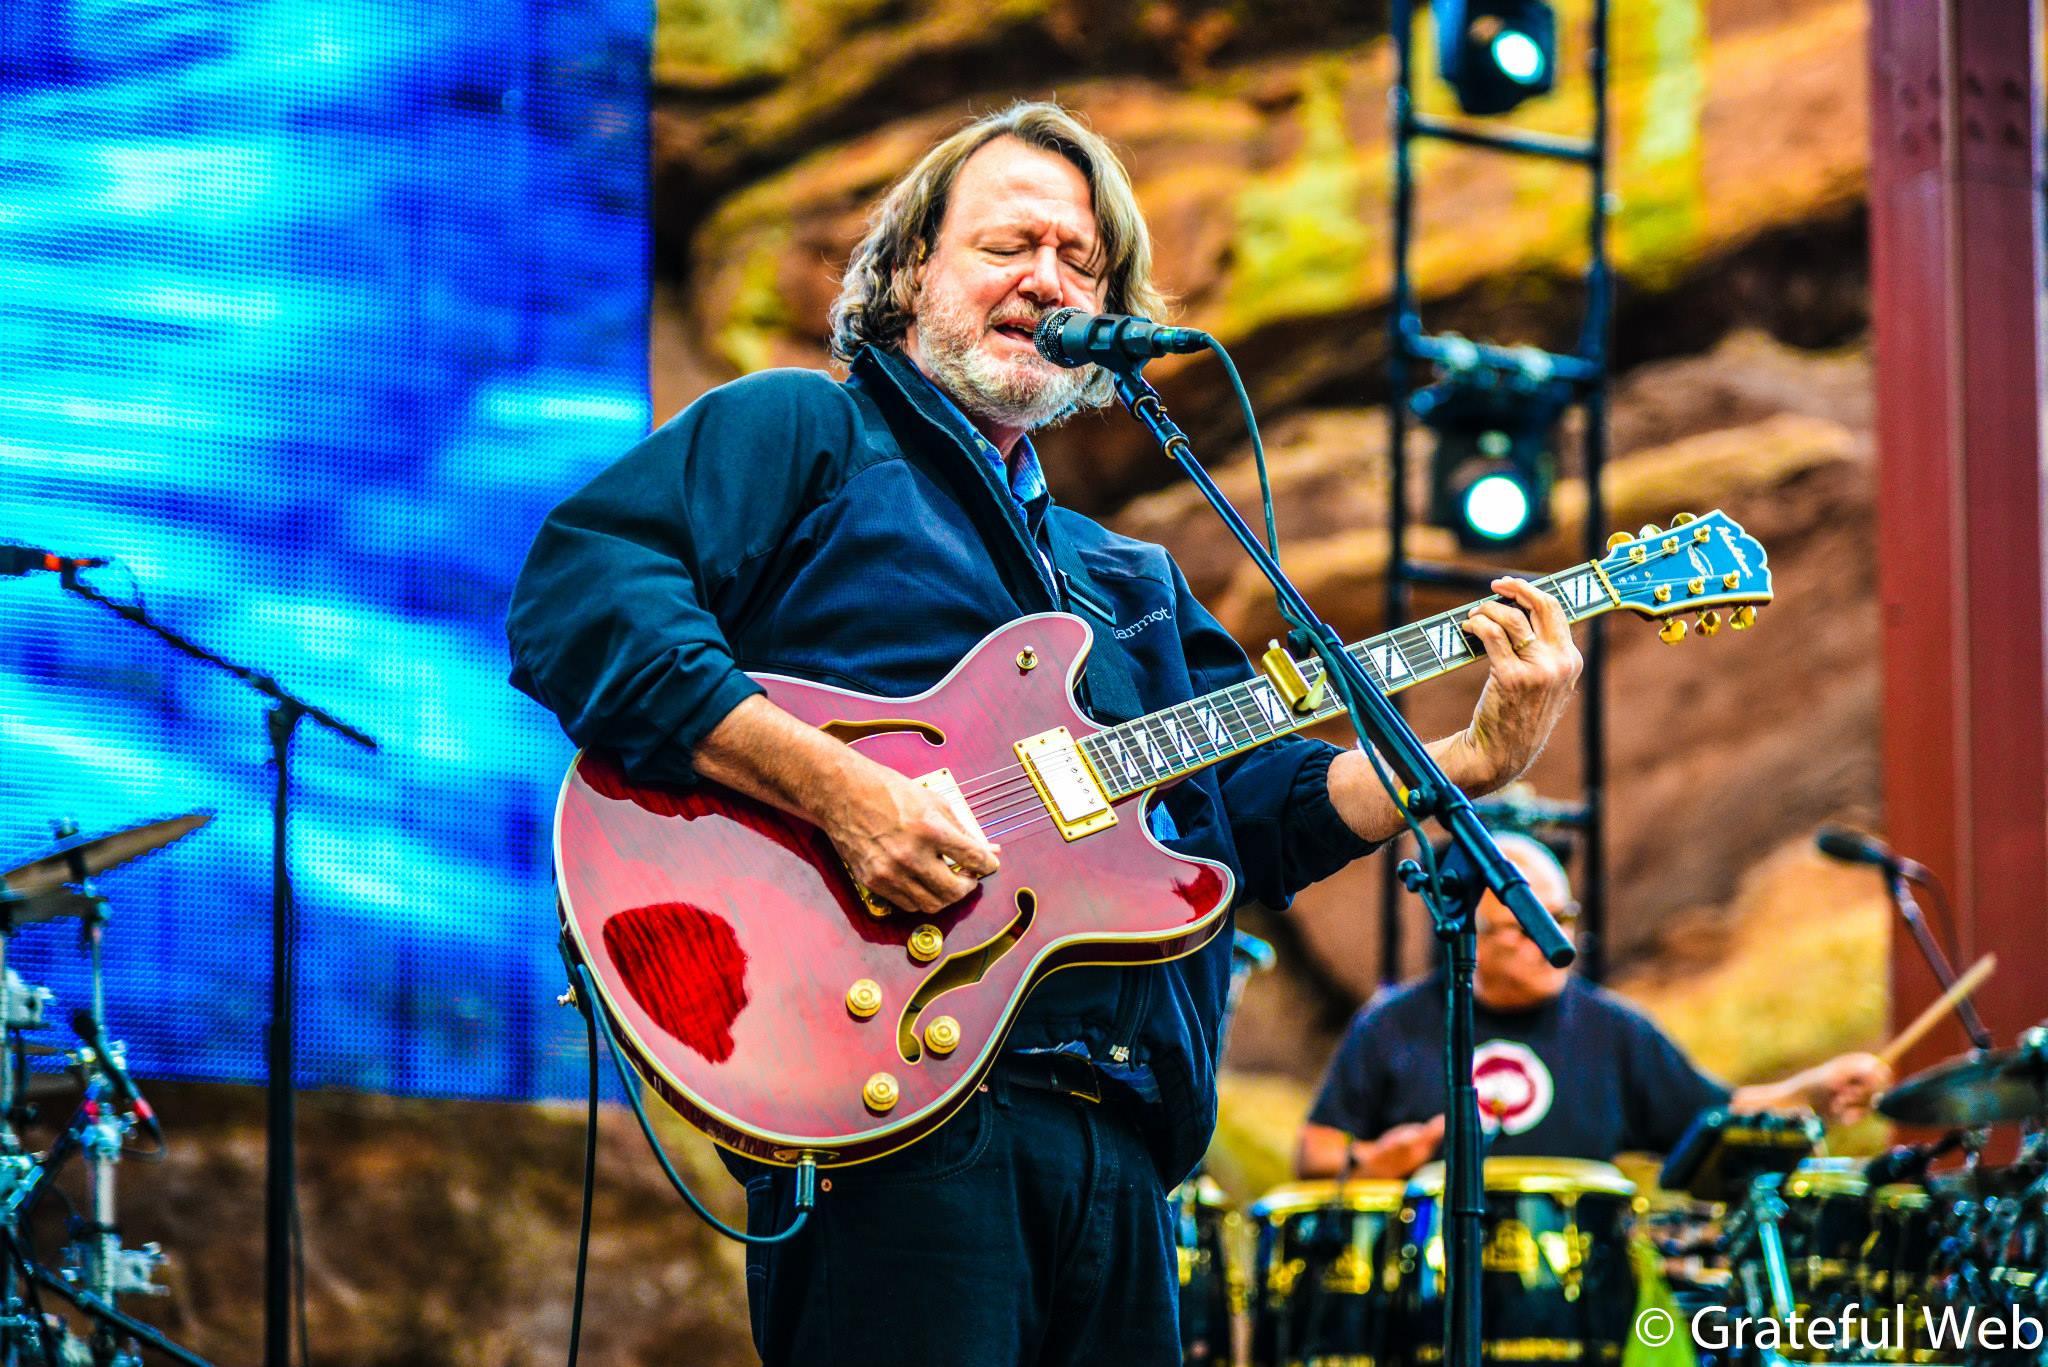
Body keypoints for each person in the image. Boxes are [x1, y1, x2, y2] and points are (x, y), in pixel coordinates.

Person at [507, 101, 1581, 1367]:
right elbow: (586, 594)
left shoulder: (1125, 579)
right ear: (910, 272)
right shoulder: (807, 434)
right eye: (1008, 244)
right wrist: (841, 791)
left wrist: (1461, 761)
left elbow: (1248, 816)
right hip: (893, 1103)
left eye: (1080, 260)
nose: (1048, 279)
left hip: (1120, 1152)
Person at [1295, 831, 1892, 1181]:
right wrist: (1372, 1160)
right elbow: (1314, 1149)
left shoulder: (1613, 1029)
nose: (1552, 941)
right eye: (1524, 926)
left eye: (1562, 919)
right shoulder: (1394, 1024)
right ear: (1468, 933)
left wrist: (1812, 1089)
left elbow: (1719, 1115)